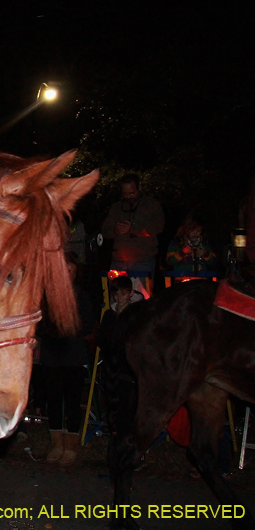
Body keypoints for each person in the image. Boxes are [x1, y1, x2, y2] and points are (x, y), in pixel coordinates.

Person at [37, 253, 97, 465]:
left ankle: (71, 445)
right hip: (52, 355)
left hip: (73, 355)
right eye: (64, 270)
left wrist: (68, 327)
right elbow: (39, 323)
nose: (67, 274)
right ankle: (56, 443)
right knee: (53, 400)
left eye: (71, 270)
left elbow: (88, 323)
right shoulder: (47, 296)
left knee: (72, 401)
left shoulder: (81, 296)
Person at [101, 174, 164, 275]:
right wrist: (115, 231)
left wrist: (133, 228)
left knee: (140, 291)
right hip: (119, 261)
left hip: (143, 261)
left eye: (131, 193)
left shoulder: (151, 205)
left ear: (139, 188)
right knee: (116, 290)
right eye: (125, 194)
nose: (128, 196)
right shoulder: (116, 208)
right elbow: (105, 231)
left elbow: (158, 227)